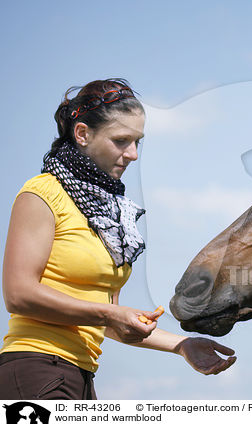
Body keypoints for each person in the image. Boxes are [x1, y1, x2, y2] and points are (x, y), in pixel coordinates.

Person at [0, 79, 236, 400]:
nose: (134, 154)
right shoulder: (42, 194)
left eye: (138, 141)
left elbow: (108, 319)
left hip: (81, 375)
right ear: (82, 134)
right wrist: (110, 314)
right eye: (121, 141)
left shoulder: (108, 215)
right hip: (36, 367)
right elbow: (18, 295)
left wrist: (181, 346)